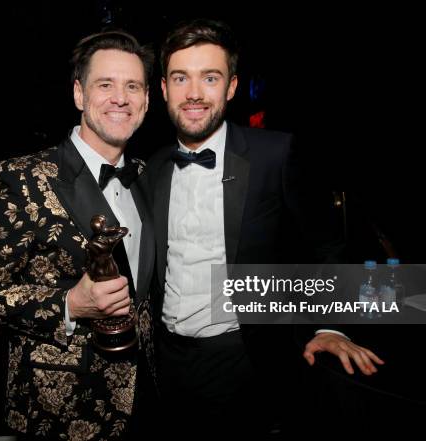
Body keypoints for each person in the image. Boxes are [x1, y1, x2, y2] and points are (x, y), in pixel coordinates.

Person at [147, 18, 384, 437]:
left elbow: (327, 246)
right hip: (164, 363)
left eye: (211, 77)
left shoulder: (276, 153)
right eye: (180, 78)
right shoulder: (152, 169)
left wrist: (329, 325)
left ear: (232, 87)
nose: (195, 93)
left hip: (247, 361)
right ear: (163, 89)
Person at [0, 29, 156, 439]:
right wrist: (69, 303)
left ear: (146, 101)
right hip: (58, 413)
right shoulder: (22, 177)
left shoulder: (147, 177)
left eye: (133, 86)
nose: (120, 97)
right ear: (79, 95)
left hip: (148, 401)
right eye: (105, 84)